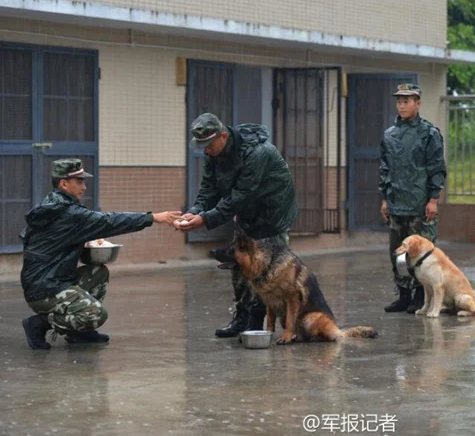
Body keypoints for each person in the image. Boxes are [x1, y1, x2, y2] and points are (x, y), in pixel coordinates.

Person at [20, 158, 182, 350]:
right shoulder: (69, 213)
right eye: (79, 182)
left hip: (47, 280)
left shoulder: (50, 206)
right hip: (45, 289)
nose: (84, 187)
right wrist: (153, 218)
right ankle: (39, 324)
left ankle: (79, 333)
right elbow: (109, 221)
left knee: (98, 273)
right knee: (96, 314)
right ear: (63, 184)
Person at [178, 113, 298, 337]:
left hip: (273, 215)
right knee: (240, 263)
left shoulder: (258, 153)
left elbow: (241, 195)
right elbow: (209, 189)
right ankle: (242, 318)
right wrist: (194, 211)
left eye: (208, 144)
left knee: (269, 270)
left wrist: (205, 219)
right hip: (247, 214)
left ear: (223, 136)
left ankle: (260, 319)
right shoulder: (213, 155)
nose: (205, 150)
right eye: (201, 145)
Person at [379, 83, 446, 313]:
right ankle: (404, 295)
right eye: (399, 101)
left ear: (418, 103)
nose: (402, 105)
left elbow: (437, 168)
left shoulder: (429, 134)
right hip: (397, 204)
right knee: (397, 254)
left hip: (420, 205)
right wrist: (385, 199)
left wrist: (434, 199)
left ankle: (420, 296)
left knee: (421, 254)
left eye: (407, 101)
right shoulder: (389, 135)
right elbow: (385, 169)